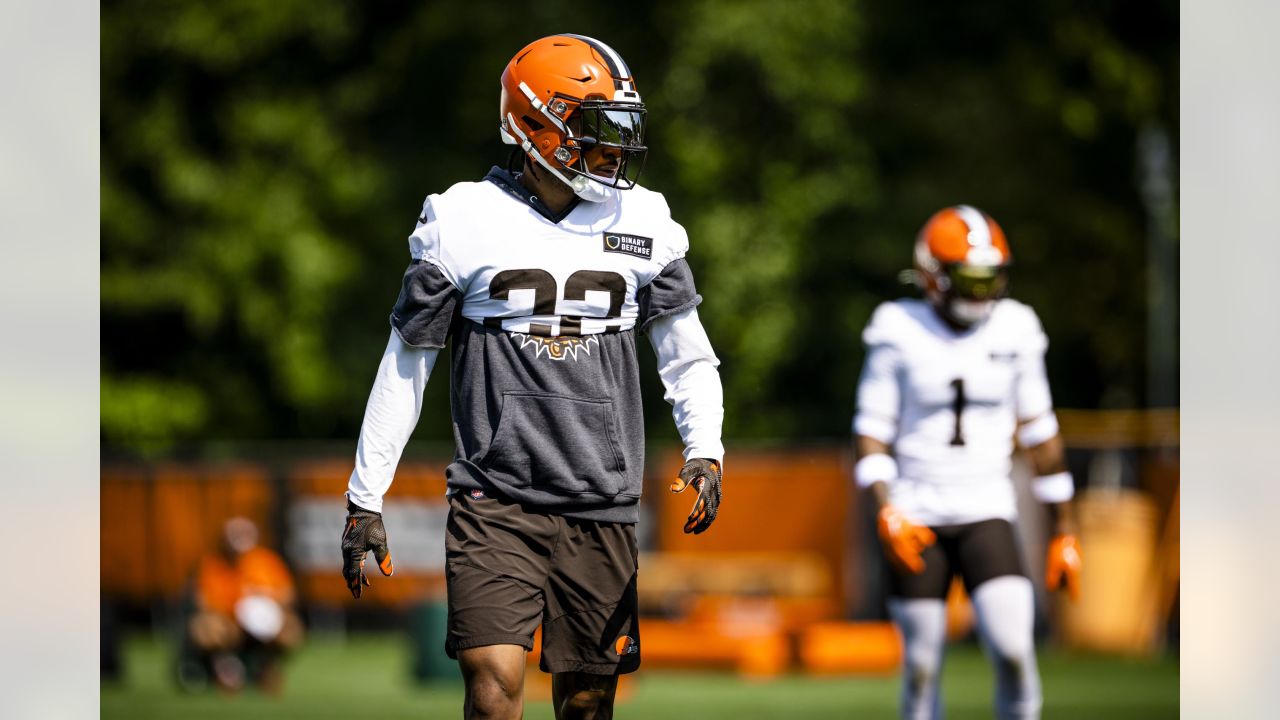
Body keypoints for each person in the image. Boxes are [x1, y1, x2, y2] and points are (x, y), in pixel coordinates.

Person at [339, 34, 725, 720]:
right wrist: (366, 496)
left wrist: (706, 449)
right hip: (496, 498)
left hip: (600, 497)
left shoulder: (646, 220)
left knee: (586, 703)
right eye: (594, 131)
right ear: (535, 125)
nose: (614, 150)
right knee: (493, 692)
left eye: (621, 132)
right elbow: (407, 361)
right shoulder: (462, 219)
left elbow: (686, 352)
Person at [852, 205, 1083, 720]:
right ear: (934, 277)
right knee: (921, 665)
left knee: (1015, 650)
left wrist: (1064, 529)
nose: (982, 295)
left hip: (986, 508)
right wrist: (886, 509)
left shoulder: (1017, 327)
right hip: (915, 512)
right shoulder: (897, 327)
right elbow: (870, 433)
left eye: (990, 280)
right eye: (968, 280)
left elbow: (1042, 434)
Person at [186, 517, 304, 693]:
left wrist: (265, 601)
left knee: (290, 630)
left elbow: (287, 595)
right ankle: (227, 666)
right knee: (208, 628)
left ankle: (266, 666)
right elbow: (204, 601)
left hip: (262, 623)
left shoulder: (265, 561)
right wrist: (236, 610)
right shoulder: (212, 564)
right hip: (227, 621)